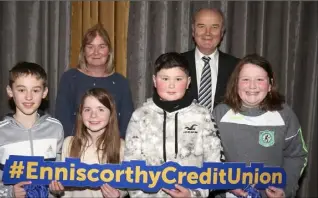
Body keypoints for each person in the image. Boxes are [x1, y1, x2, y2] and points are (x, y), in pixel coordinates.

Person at [124, 52, 224, 197]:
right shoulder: (140, 116)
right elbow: (131, 166)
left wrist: (193, 194)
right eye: (165, 78)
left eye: (178, 79)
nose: (171, 85)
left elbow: (215, 165)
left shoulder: (203, 116)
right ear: (154, 80)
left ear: (188, 82)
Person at [212, 54, 308, 198]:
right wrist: (225, 184)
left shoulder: (284, 115)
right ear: (236, 83)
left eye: (259, 80)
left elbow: (296, 156)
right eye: (245, 80)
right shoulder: (220, 113)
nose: (252, 86)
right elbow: (208, 157)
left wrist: (285, 189)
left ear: (270, 85)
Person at [0, 62, 64, 197]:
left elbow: (59, 172)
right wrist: (9, 192)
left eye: (35, 90)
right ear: (10, 91)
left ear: (44, 93)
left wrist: (57, 189)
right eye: (21, 90)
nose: (29, 97)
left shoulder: (56, 128)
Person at [55, 23, 134, 139]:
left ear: (109, 51)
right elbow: (62, 119)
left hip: (113, 149)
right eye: (90, 47)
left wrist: (115, 148)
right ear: (83, 51)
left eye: (101, 46)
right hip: (76, 147)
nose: (96, 52)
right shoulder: (70, 79)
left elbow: (127, 124)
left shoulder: (121, 82)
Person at [50, 88, 127, 197]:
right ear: (81, 113)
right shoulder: (69, 143)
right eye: (87, 110)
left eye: (100, 109)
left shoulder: (121, 147)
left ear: (111, 114)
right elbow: (61, 185)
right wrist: (57, 190)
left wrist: (119, 194)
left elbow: (127, 185)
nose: (93, 115)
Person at [182, 8, 240, 112]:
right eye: (201, 26)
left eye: (214, 27)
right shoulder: (177, 64)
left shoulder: (237, 66)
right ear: (193, 30)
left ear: (222, 32)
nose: (208, 33)